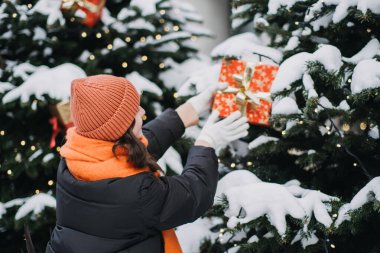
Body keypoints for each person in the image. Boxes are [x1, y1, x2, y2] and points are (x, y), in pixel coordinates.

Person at [45, 75, 249, 253]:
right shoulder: (138, 192)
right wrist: (207, 143)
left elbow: (137, 147)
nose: (142, 111)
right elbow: (192, 195)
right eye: (134, 111)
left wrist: (189, 110)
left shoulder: (74, 156)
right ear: (123, 130)